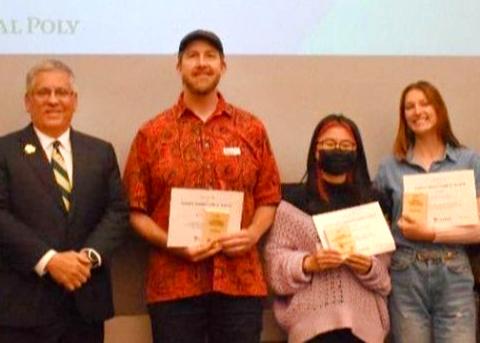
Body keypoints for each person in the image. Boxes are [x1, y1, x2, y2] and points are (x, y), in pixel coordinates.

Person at [123, 29, 281, 343]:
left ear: (223, 65)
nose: (201, 63)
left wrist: (252, 234)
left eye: (210, 56)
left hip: (240, 282)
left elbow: (269, 197)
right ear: (179, 66)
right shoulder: (151, 133)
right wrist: (171, 242)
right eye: (192, 56)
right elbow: (134, 211)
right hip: (173, 284)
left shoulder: (251, 128)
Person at [0, 59, 129, 343]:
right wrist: (49, 260)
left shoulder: (100, 152)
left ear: (75, 100)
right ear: (27, 101)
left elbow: (118, 211)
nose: (53, 100)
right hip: (22, 309)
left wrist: (89, 257)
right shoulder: (5, 151)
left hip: (85, 303)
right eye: (43, 93)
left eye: (62, 92)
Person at [265, 114, 391, 343]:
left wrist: (368, 267)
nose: (338, 150)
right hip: (311, 321)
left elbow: (384, 277)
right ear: (316, 150)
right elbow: (275, 268)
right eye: (330, 144)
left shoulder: (373, 202)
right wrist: (308, 263)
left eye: (346, 146)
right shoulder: (292, 204)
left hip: (363, 322)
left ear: (356, 152)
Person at [375, 80, 480, 343]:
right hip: (405, 272)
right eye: (409, 107)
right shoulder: (389, 167)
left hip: (453, 270)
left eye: (424, 103)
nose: (417, 111)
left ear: (439, 109)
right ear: (403, 117)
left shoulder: (469, 161)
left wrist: (431, 233)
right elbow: (380, 228)